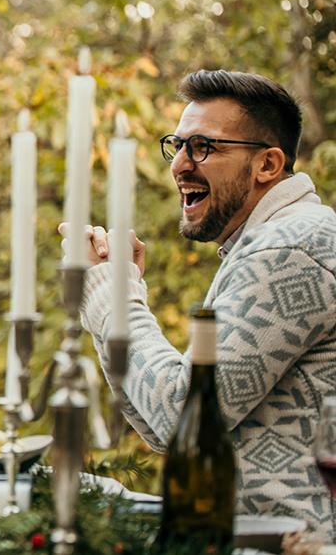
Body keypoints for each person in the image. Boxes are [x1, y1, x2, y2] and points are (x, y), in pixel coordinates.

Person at [71, 70, 336, 539]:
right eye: (177, 146)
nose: (179, 165)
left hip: (290, 545)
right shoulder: (270, 242)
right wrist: (111, 294)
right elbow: (164, 432)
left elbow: (179, 413)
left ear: (267, 164)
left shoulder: (292, 247)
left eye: (203, 147)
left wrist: (113, 298)